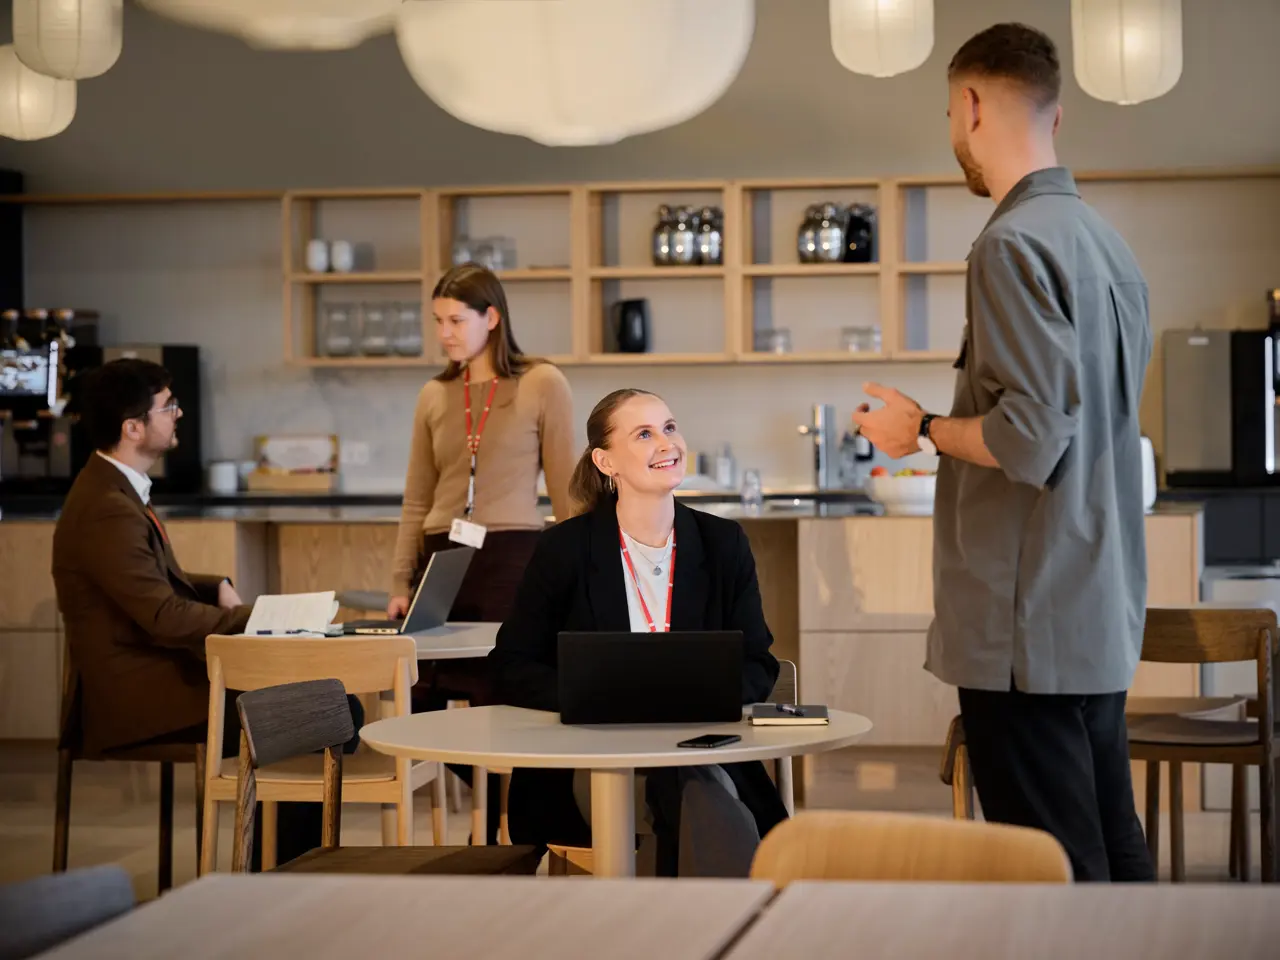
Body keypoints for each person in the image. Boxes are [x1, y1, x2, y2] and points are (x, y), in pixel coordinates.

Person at [853, 23, 1155, 882]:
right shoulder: (1106, 243)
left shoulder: (1007, 243)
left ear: (973, 104)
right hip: (1091, 606)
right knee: (1110, 840)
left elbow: (1029, 437)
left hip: (1024, 628)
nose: (955, 129)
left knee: (1050, 863)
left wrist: (921, 431)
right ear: (1055, 117)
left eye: (952, 110)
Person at [52, 358, 359, 867]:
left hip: (152, 677)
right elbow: (164, 617)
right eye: (167, 407)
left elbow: (145, 582)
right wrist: (259, 621)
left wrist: (213, 584)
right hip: (136, 694)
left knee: (327, 708)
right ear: (133, 427)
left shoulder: (112, 489)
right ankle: (281, 877)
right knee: (327, 712)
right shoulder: (108, 504)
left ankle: (281, 873)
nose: (178, 414)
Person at [488, 388, 788, 877]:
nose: (666, 443)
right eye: (644, 434)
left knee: (688, 783)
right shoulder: (564, 549)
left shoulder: (722, 543)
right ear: (606, 461)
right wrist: (597, 697)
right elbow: (511, 666)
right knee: (688, 796)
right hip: (590, 761)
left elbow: (759, 662)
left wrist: (701, 699)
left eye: (669, 428)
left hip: (699, 749)